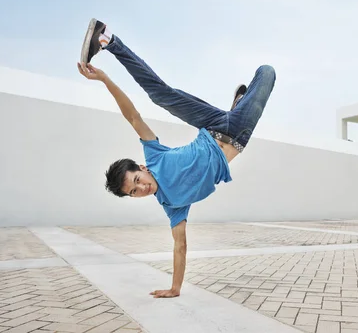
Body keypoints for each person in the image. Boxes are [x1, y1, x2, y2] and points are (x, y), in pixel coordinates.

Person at [77, 18, 276, 298]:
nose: (142, 188)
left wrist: (105, 79)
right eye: (134, 192)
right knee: (267, 72)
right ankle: (239, 106)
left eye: (137, 180)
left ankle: (108, 40)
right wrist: (175, 288)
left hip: (211, 123)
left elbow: (132, 115)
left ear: (142, 168)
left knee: (161, 95)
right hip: (238, 134)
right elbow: (180, 246)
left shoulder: (155, 156)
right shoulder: (172, 205)